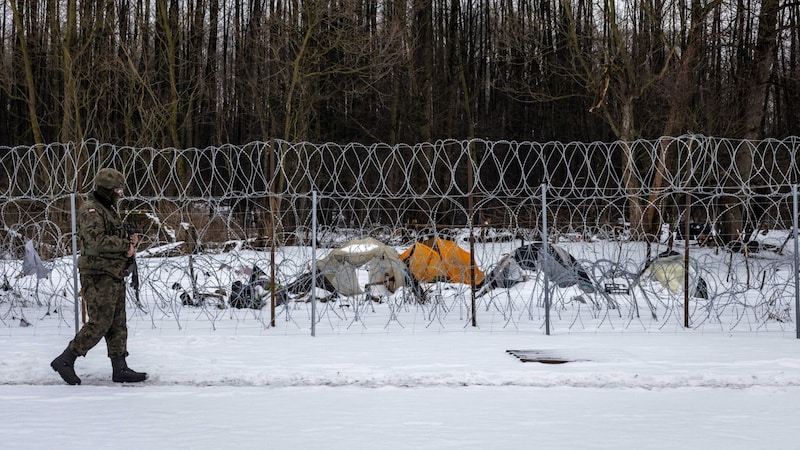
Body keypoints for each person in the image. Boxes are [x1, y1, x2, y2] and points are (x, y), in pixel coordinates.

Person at [50, 168, 147, 385]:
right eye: (116, 190)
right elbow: (96, 241)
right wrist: (125, 246)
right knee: (100, 322)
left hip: (113, 272)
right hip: (97, 274)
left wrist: (129, 240)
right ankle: (66, 359)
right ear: (106, 190)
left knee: (117, 323)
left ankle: (119, 367)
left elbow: (111, 235)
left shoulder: (108, 209)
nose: (120, 194)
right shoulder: (91, 210)